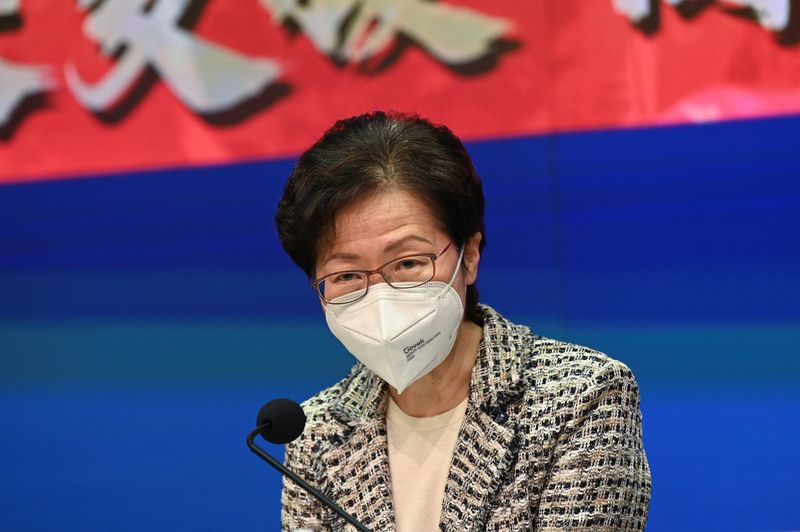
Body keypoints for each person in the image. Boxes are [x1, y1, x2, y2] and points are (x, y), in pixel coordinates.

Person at [275, 111, 651, 531]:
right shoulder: (316, 430)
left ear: (469, 256)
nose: (380, 294)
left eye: (408, 263)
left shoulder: (580, 396)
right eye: (346, 275)